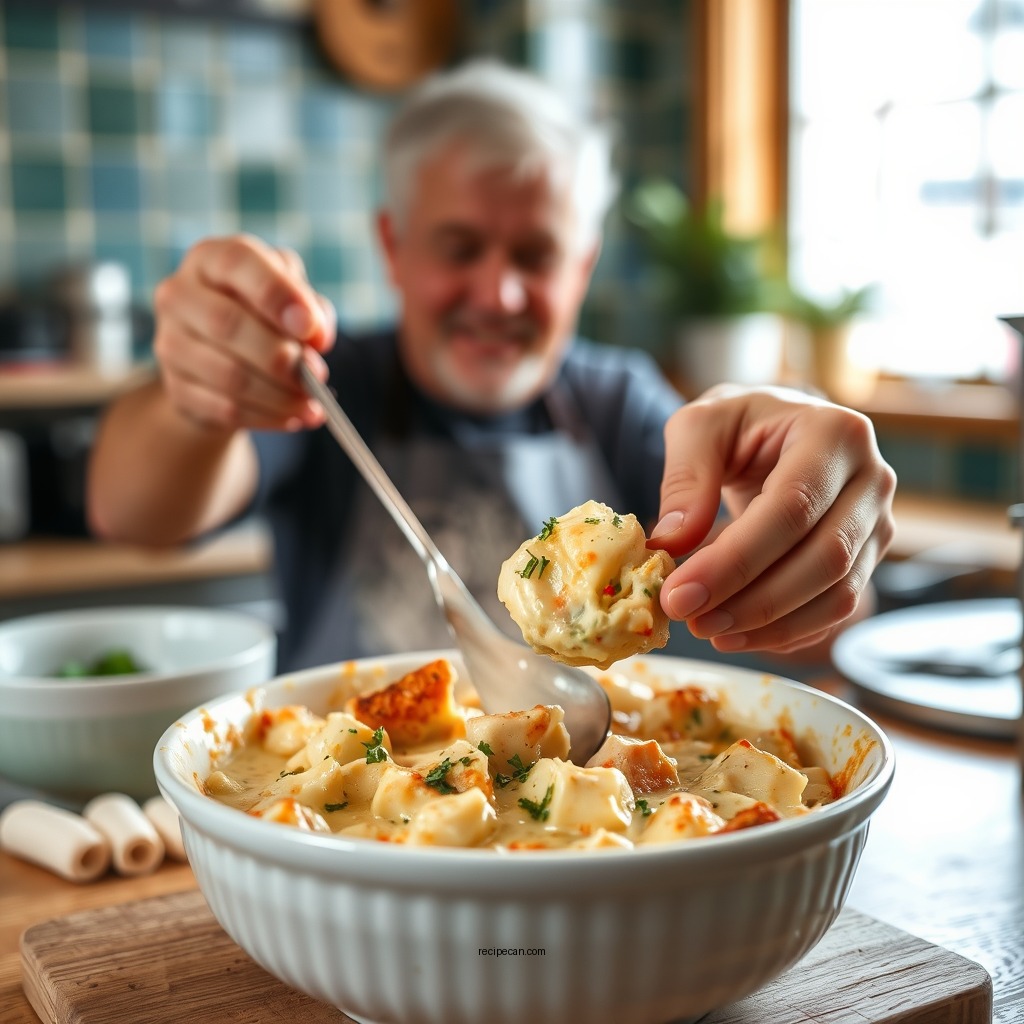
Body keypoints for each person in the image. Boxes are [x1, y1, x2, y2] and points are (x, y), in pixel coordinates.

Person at [87, 59, 896, 672]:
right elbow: (131, 514)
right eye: (461, 247)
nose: (500, 294)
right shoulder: (329, 388)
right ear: (395, 248)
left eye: (536, 255)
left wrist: (808, 530)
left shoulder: (617, 404)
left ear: (582, 267)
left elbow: (824, 633)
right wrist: (198, 400)